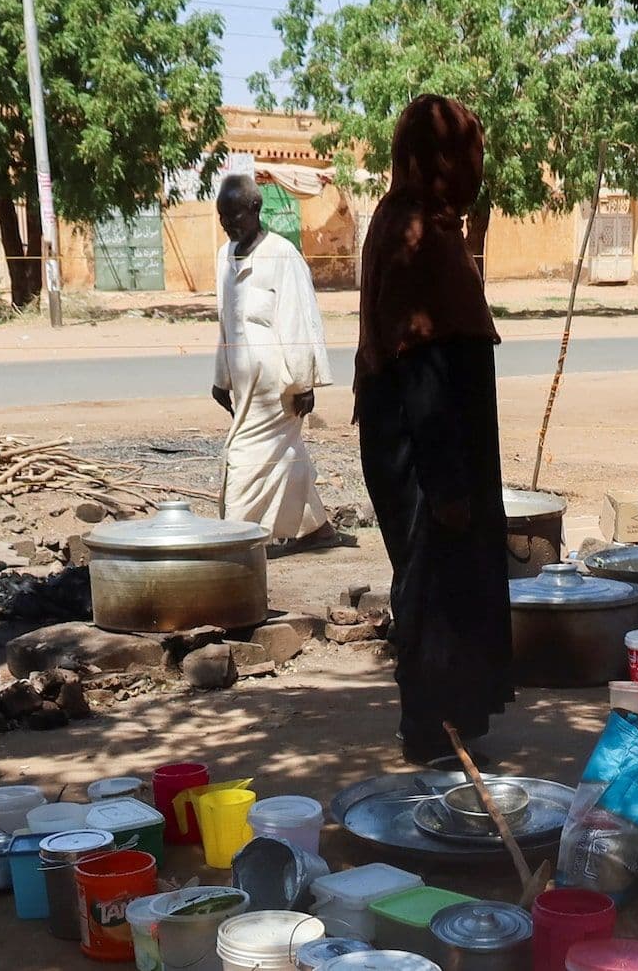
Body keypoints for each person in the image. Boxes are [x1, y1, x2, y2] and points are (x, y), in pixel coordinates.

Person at [354, 95, 515, 765]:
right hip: (428, 451)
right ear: (441, 160)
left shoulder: (412, 224)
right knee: (434, 583)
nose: (477, 166)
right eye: (468, 153)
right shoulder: (418, 241)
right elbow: (423, 365)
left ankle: (448, 723)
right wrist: (449, 483)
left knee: (433, 579)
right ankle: (435, 732)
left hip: (420, 444)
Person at [212, 175, 338, 552]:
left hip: (278, 388)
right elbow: (224, 321)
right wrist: (221, 377)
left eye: (234, 216)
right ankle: (315, 528)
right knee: (286, 454)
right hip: (244, 384)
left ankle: (238, 538)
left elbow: (300, 318)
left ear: (254, 209)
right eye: (222, 218)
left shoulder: (283, 255)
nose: (228, 225)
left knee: (244, 456)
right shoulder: (224, 257)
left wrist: (303, 382)